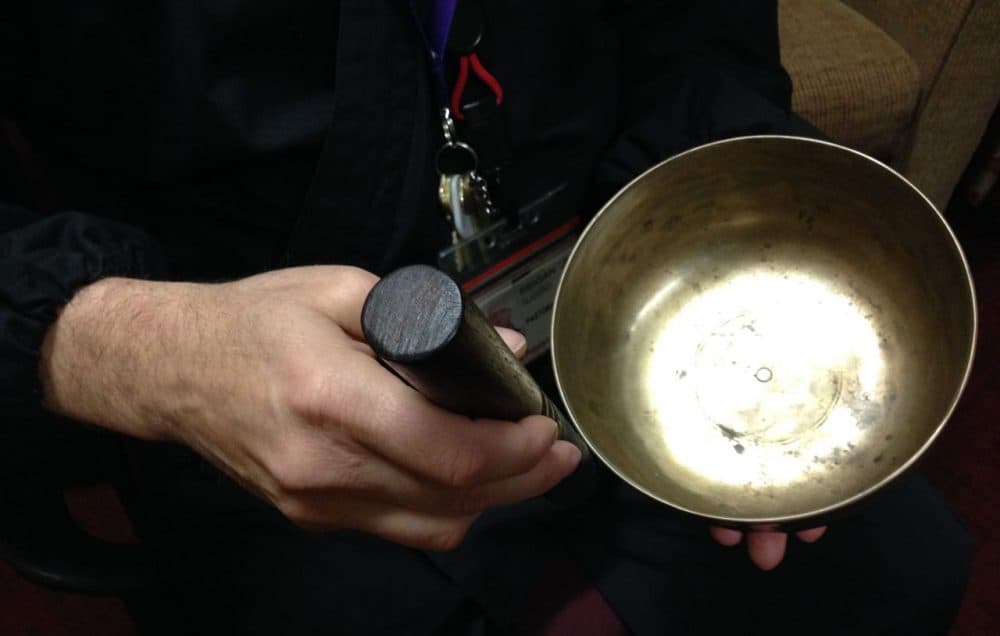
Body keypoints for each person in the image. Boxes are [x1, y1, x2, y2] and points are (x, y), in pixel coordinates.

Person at [0, 1, 973, 634]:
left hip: (619, 312)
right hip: (248, 381)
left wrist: (741, 211)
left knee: (912, 567)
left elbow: (699, 56)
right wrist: (114, 341)